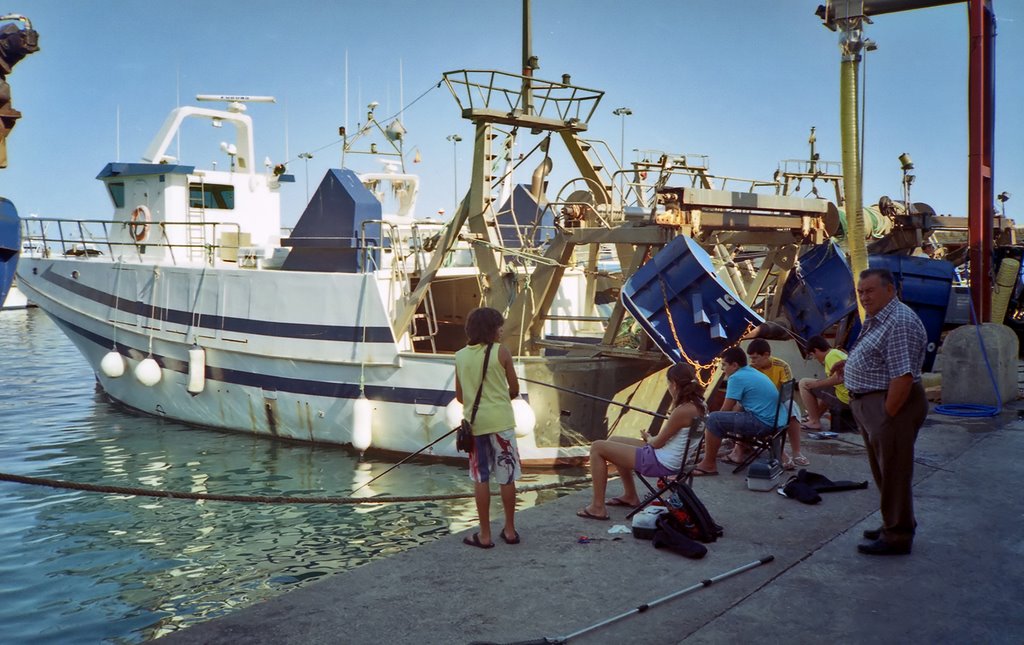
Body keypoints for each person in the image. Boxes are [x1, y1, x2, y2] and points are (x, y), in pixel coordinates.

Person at [835, 268, 928, 556]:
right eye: (861, 292)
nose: (864, 297)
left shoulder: (899, 321)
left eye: (870, 291)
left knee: (895, 470)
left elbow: (902, 376)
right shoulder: (880, 317)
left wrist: (887, 417)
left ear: (891, 290)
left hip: (890, 404)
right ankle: (895, 521)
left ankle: (897, 536)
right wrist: (849, 365)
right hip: (871, 402)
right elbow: (879, 357)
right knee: (885, 470)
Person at [576, 363, 707, 520]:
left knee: (597, 447)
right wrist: (651, 440)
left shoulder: (682, 410)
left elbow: (657, 443)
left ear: (673, 384)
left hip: (661, 461)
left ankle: (597, 507)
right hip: (673, 458)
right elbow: (670, 439)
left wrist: (649, 438)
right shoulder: (701, 405)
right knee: (613, 440)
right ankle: (630, 495)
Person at [454, 307, 523, 548]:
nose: (502, 329)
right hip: (502, 424)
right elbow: (514, 389)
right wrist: (499, 399)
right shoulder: (501, 352)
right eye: (498, 326)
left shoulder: (460, 356)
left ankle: (484, 535)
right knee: (507, 478)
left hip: (476, 426)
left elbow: (460, 396)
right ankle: (510, 531)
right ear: (490, 329)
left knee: (481, 479)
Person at [692, 347, 789, 476]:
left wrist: (709, 430)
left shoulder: (736, 378)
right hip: (778, 422)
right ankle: (740, 451)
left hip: (765, 424)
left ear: (735, 365)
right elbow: (737, 407)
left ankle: (708, 464)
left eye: (724, 365)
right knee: (739, 411)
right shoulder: (750, 371)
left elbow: (725, 410)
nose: (722, 369)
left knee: (714, 419)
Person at [746, 338, 809, 469]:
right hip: (760, 403)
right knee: (767, 415)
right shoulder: (751, 369)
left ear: (766, 355)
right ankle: (781, 452)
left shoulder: (782, 366)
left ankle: (796, 451)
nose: (752, 361)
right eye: (751, 358)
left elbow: (787, 391)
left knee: (792, 410)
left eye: (755, 358)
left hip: (778, 400)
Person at [798, 335, 851, 431]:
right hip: (847, 394)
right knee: (826, 390)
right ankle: (814, 417)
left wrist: (817, 384)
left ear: (816, 350)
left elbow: (839, 378)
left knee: (804, 383)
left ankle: (814, 421)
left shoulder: (831, 356)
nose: (814, 358)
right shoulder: (836, 353)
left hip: (846, 398)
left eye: (812, 355)